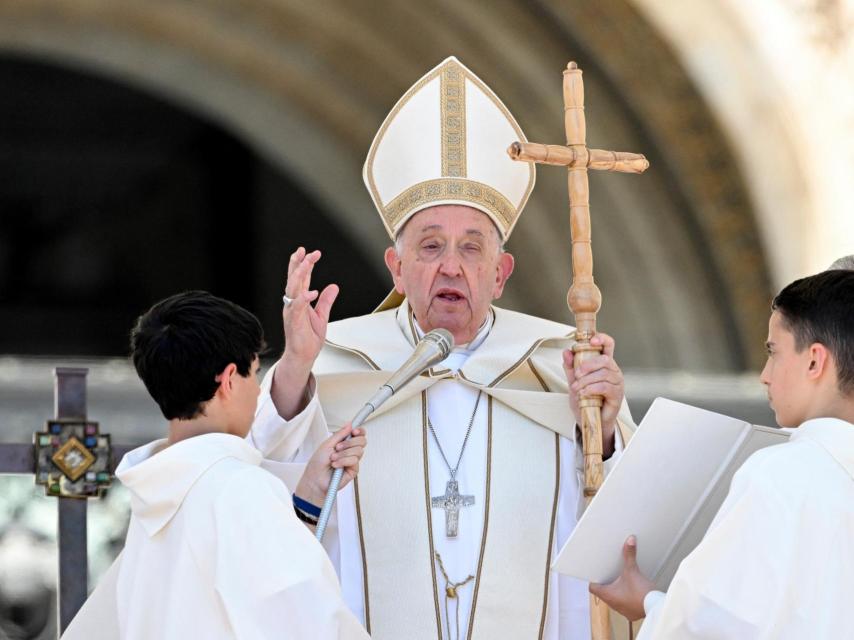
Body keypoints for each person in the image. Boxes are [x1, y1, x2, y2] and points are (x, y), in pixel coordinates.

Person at [250, 56, 636, 640]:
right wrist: (296, 367)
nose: (451, 266)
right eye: (430, 247)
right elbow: (260, 499)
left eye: (472, 248)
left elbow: (624, 522)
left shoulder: (562, 366)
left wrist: (604, 433)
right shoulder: (333, 366)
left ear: (501, 273)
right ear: (396, 269)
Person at [62, 291, 370, 640]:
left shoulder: (153, 498)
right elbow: (307, 623)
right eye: (253, 374)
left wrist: (306, 500)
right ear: (227, 380)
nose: (256, 391)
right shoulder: (239, 489)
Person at [590, 269, 854, 639]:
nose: (764, 375)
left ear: (814, 361)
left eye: (773, 353)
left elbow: (715, 628)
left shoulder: (780, 473)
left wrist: (648, 602)